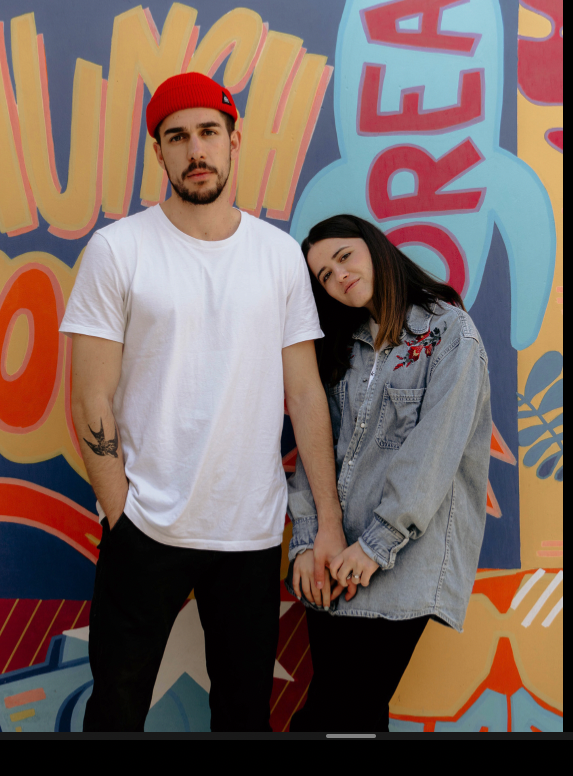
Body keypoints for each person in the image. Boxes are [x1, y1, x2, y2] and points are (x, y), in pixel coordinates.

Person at [60, 72, 345, 732]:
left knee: (243, 710)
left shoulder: (277, 256)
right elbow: (90, 392)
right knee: (116, 705)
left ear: (234, 140)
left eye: (208, 133)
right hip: (144, 523)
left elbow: (303, 395)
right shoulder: (118, 249)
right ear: (156, 152)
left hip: (247, 527)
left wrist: (324, 521)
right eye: (177, 136)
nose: (196, 150)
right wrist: (118, 511)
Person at [286, 214, 493, 732]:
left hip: (399, 559)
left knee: (341, 713)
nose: (338, 277)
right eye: (324, 277)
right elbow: (318, 450)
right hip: (336, 560)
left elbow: (434, 453)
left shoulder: (449, 334)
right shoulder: (344, 346)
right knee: (346, 716)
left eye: (343, 257)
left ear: (375, 247)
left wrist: (376, 545)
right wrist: (308, 542)